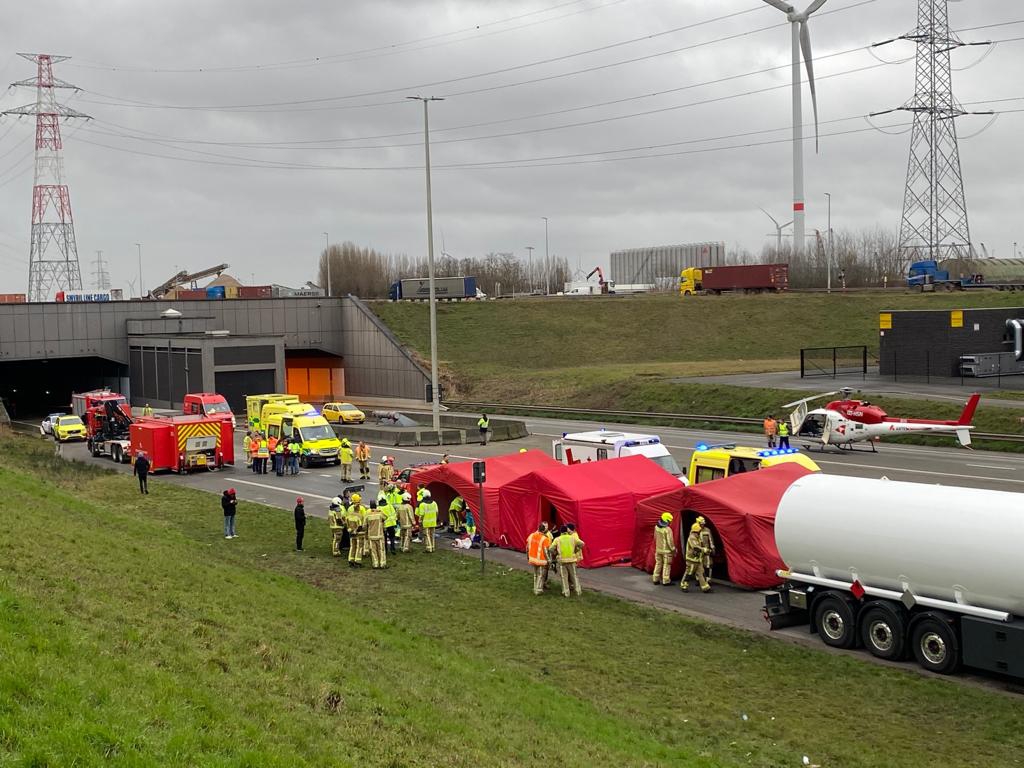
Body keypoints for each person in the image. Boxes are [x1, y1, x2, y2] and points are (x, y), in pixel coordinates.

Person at [548, 526, 584, 598]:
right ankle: (578, 591)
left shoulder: (557, 539)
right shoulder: (572, 538)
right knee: (574, 576)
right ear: (567, 531)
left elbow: (551, 548)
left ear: (561, 532)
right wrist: (575, 550)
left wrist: (556, 553)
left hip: (562, 561)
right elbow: (582, 544)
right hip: (572, 560)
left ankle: (566, 593)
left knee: (564, 577)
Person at [680, 522, 711, 593]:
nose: (700, 531)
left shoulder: (697, 537)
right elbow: (695, 547)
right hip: (691, 560)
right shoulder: (692, 538)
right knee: (689, 573)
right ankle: (684, 585)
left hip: (698, 560)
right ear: (697, 531)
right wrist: (704, 549)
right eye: (699, 530)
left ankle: (705, 587)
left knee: (702, 573)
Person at [526, 523, 552, 595]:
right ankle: (538, 590)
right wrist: (549, 560)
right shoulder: (545, 538)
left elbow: (527, 547)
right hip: (540, 560)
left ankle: (535, 587)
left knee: (535, 574)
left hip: (532, 558)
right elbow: (545, 551)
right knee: (540, 575)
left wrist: (528, 557)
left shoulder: (531, 536)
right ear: (543, 530)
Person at [653, 512, 676, 586]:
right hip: (667, 551)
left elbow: (655, 538)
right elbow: (670, 542)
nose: (670, 522)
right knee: (667, 565)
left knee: (658, 564)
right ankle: (666, 581)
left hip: (658, 550)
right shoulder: (667, 529)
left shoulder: (656, 527)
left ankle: (655, 579)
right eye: (669, 521)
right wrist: (673, 550)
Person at [363, 500, 386, 569]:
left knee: (373, 551)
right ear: (376, 506)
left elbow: (364, 526)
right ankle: (382, 564)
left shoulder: (367, 515)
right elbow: (385, 517)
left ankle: (375, 564)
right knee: (381, 550)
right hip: (379, 535)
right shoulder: (380, 514)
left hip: (371, 536)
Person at [345, 493, 366, 567]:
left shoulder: (350, 509)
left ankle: (351, 560)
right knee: (359, 547)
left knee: (352, 546)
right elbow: (364, 520)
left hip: (351, 531)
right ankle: (358, 561)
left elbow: (346, 521)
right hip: (359, 532)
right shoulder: (362, 509)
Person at [697, 516, 716, 581]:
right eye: (701, 523)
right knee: (699, 565)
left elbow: (711, 540)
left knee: (708, 565)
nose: (702, 525)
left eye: (703, 523)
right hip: (698, 551)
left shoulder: (707, 530)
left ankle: (708, 579)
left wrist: (713, 548)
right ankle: (698, 579)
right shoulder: (694, 530)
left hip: (707, 551)